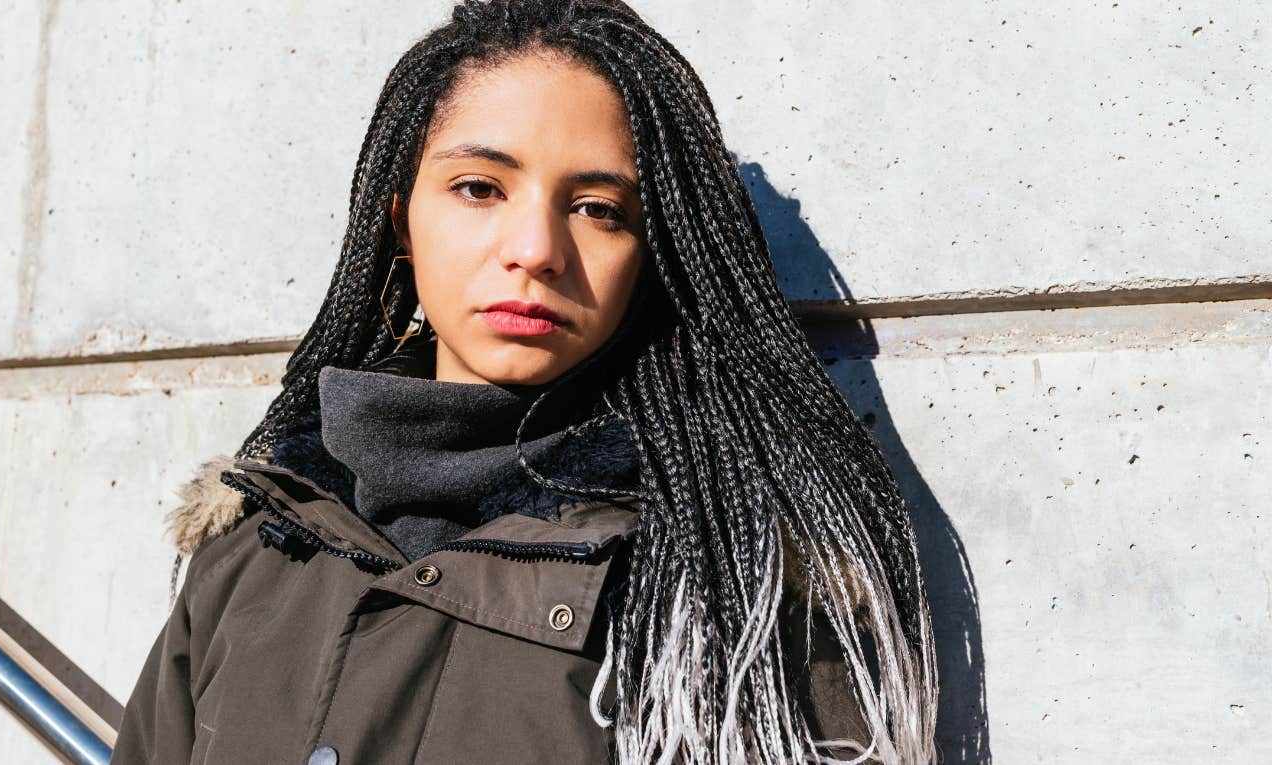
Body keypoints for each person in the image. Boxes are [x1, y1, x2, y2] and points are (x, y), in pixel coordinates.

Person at [112, 1, 939, 763]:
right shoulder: (252, 545)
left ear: (650, 258)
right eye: (480, 188)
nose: (537, 248)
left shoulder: (726, 581)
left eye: (599, 208)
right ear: (401, 219)